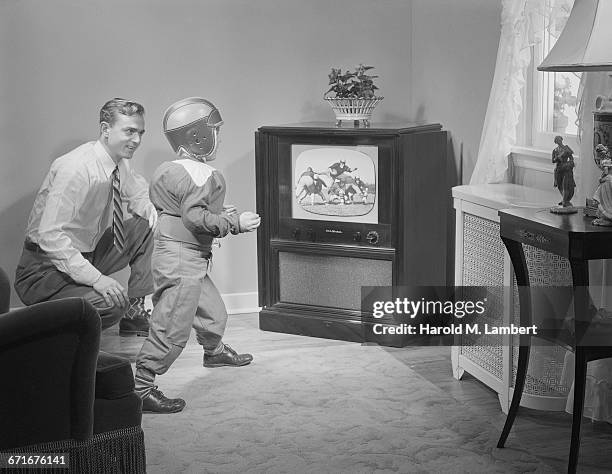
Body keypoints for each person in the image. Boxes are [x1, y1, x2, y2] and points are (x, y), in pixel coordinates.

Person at [134, 97, 260, 413]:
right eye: (215, 130)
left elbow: (179, 210)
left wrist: (216, 212)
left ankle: (213, 351)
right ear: (198, 136)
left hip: (181, 253)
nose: (219, 137)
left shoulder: (169, 170)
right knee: (172, 322)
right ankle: (140, 388)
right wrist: (235, 222)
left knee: (213, 312)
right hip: (181, 258)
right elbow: (196, 218)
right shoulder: (204, 175)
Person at [14, 98, 157, 336]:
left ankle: (134, 315)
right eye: (130, 132)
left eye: (140, 133)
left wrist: (157, 216)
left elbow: (138, 196)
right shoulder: (76, 168)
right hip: (44, 270)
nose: (137, 140)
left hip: (86, 255)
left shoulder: (118, 163)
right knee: (112, 305)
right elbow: (49, 237)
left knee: (145, 226)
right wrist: (97, 279)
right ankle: (50, 328)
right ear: (105, 129)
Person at [552, 135, 576, 207]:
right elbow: (553, 161)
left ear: (562, 140)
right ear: (556, 142)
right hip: (559, 169)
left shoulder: (566, 148)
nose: (559, 141)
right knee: (559, 185)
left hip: (566, 168)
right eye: (557, 140)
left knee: (566, 184)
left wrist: (569, 164)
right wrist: (557, 158)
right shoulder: (555, 150)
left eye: (559, 140)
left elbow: (571, 158)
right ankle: (564, 200)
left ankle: (565, 201)